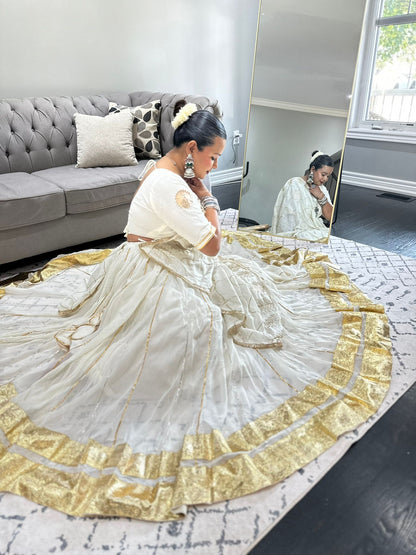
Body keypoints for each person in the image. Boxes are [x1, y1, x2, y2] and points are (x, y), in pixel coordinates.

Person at [0, 104, 391, 522]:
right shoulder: (175, 186)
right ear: (191, 148)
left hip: (143, 252)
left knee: (246, 283)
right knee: (210, 316)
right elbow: (212, 245)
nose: (217, 163)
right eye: (213, 156)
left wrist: (196, 183)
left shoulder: (167, 168)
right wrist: (207, 199)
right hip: (156, 263)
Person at [271, 150, 335, 241]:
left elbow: (330, 217)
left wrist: (321, 196)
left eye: (328, 176)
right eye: (323, 174)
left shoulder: (322, 189)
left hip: (315, 230)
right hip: (295, 233)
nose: (325, 179)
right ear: (313, 169)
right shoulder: (294, 184)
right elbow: (287, 219)